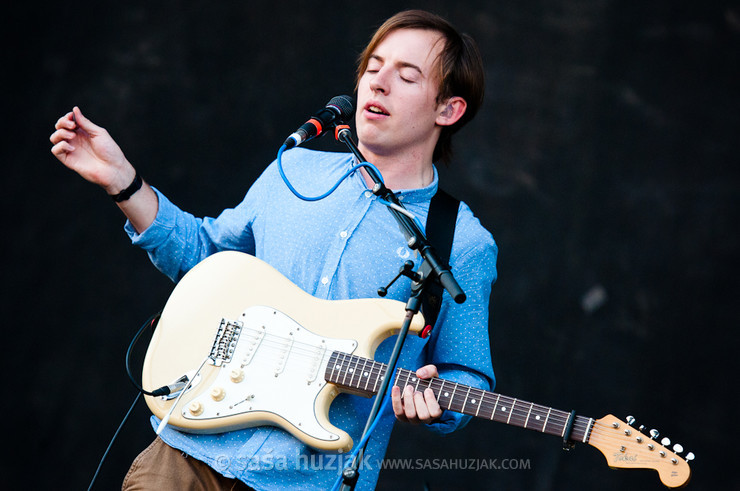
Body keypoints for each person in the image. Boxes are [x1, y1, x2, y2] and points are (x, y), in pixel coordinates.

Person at [50, 9, 498, 491]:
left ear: (448, 110)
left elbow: (467, 373)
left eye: (406, 76)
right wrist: (125, 183)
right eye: (372, 67)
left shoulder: (463, 243)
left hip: (305, 480)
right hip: (187, 452)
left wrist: (436, 405)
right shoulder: (295, 172)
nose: (378, 83)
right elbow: (205, 259)